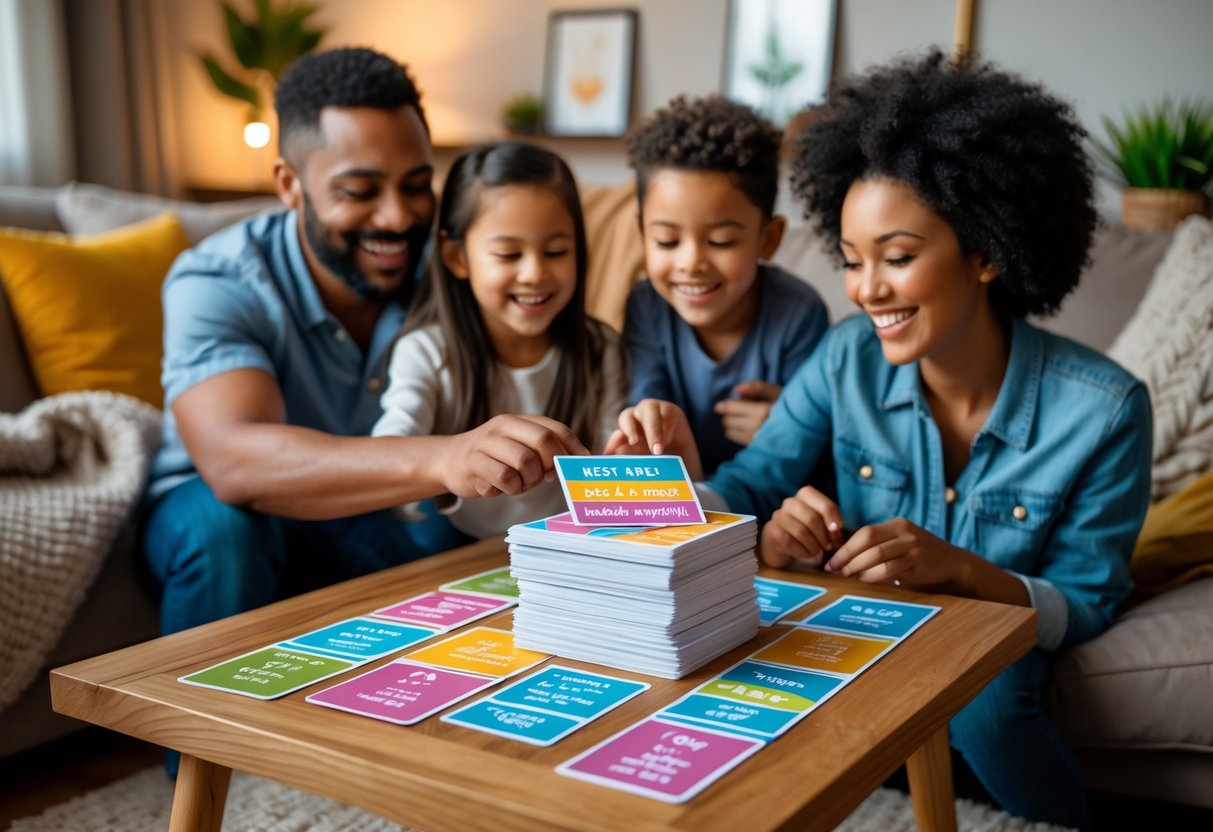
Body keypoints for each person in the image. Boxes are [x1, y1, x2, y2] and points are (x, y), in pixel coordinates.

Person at [640, 52, 1152, 829]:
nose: (865, 289)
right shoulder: (845, 356)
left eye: (897, 258)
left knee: (984, 706)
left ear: (984, 251)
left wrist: (963, 572)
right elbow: (750, 485)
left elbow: (1081, 605)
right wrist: (687, 498)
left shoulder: (1106, 410)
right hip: (861, 626)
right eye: (850, 262)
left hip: (987, 636)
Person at [141, 48, 586, 641]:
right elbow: (235, 462)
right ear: (289, 185)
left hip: (370, 508)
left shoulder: (449, 269)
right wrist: (442, 457)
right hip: (217, 510)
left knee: (442, 541)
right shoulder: (217, 280)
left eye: (416, 184)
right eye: (359, 190)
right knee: (223, 533)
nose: (398, 217)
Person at [372, 141, 627, 538]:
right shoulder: (425, 352)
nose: (534, 273)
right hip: (452, 550)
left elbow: (612, 481)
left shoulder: (600, 347)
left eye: (557, 251)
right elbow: (389, 455)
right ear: (457, 257)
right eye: (509, 255)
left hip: (562, 552)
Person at [611, 95, 829, 476]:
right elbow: (646, 410)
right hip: (678, 507)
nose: (691, 262)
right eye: (666, 241)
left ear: (769, 238)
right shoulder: (647, 307)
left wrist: (789, 427)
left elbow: (812, 446)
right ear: (642, 233)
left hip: (765, 504)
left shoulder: (799, 314)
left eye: (721, 242)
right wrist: (644, 425)